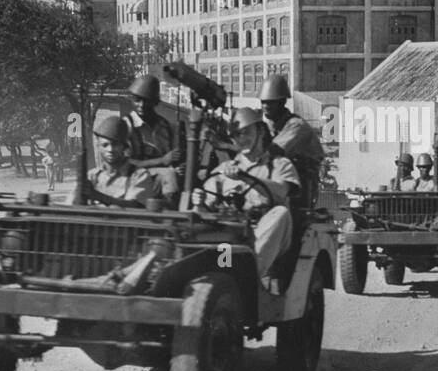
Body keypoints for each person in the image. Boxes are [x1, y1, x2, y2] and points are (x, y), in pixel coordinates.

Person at [196, 107, 300, 293]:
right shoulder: (224, 170)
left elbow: (282, 190)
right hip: (233, 236)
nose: (241, 139)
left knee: (280, 213)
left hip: (267, 234)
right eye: (236, 135)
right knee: (214, 229)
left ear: (260, 131)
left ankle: (247, 277)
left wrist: (245, 177)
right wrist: (199, 201)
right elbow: (205, 212)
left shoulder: (279, 165)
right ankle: (223, 278)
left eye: (247, 133)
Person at [259, 74, 324, 208]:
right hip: (283, 178)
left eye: (271, 102)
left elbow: (273, 151)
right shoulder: (273, 125)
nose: (266, 106)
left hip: (301, 183)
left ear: (282, 102)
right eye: (263, 102)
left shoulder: (296, 126)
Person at [124, 74, 183, 207]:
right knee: (169, 175)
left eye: (147, 101)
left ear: (155, 102)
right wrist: (162, 161)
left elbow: (170, 157)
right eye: (137, 100)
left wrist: (177, 166)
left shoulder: (163, 125)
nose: (142, 105)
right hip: (132, 178)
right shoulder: (126, 125)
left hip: (159, 179)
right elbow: (125, 163)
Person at [82, 114, 155, 208]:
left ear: (124, 147)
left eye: (115, 144)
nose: (110, 149)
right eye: (105, 145)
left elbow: (136, 207)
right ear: (98, 147)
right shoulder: (92, 176)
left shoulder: (138, 176)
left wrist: (98, 196)